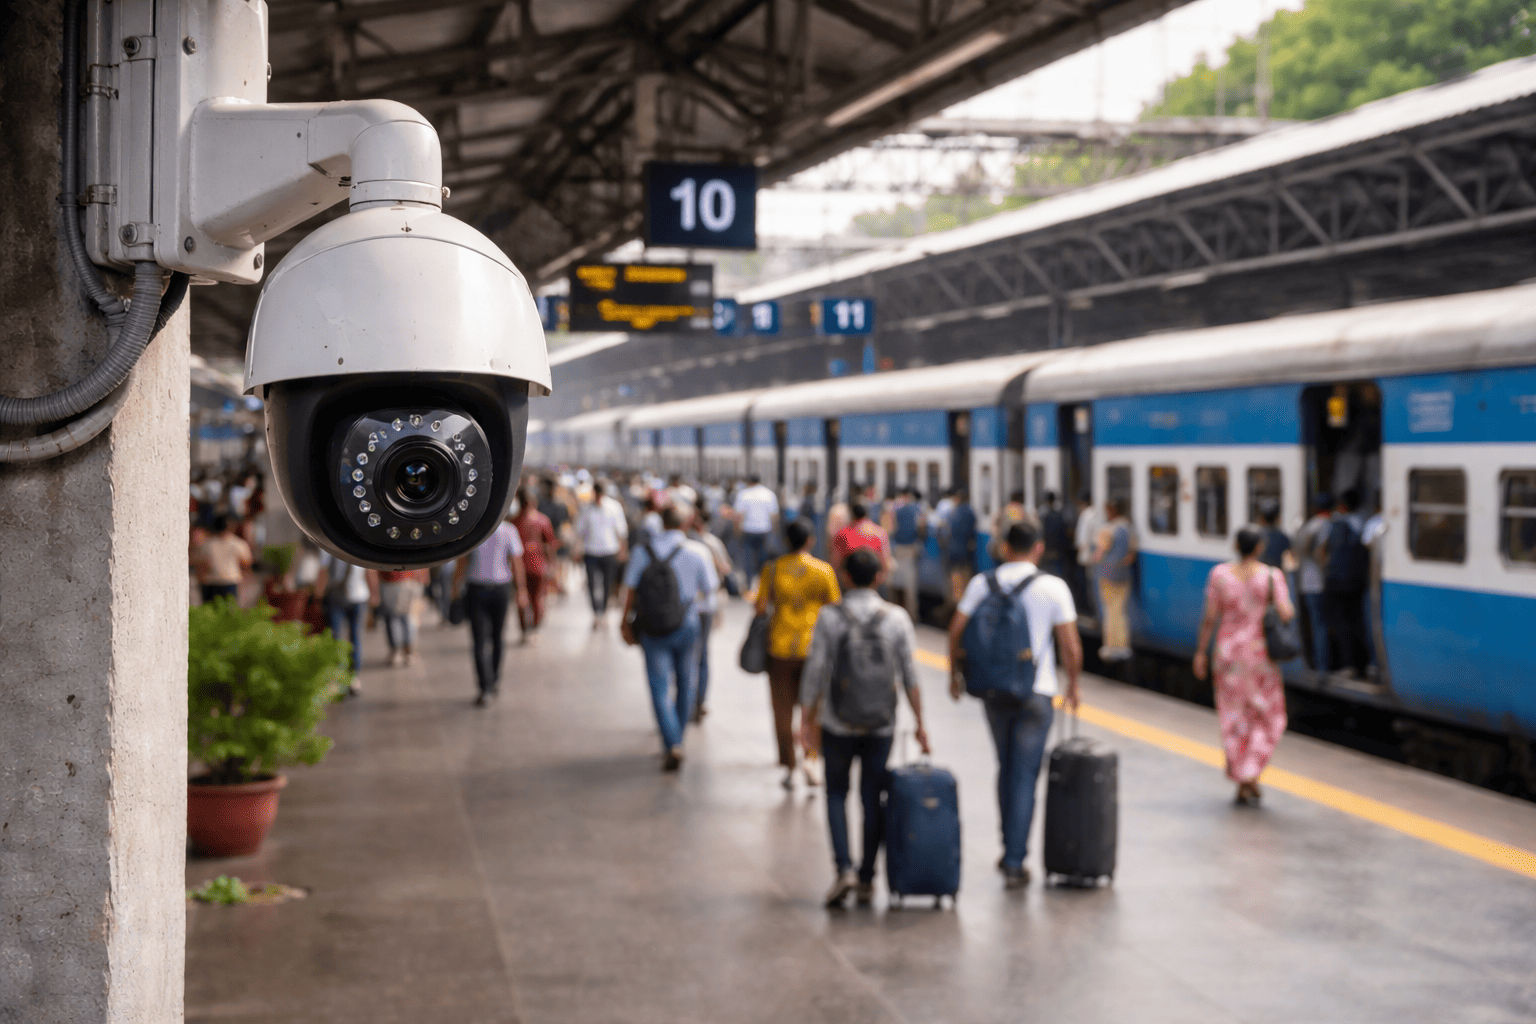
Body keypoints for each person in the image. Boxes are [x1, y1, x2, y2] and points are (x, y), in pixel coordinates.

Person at [948, 520, 1080, 889]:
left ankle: (1009, 846)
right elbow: (1069, 644)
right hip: (1037, 692)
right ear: (1038, 549)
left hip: (993, 690)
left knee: (1005, 768)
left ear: (1005, 548)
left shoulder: (981, 583)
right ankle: (1014, 859)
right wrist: (1074, 685)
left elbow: (956, 629)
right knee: (1025, 774)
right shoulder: (1053, 587)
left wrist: (953, 675)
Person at [799, 548, 929, 908]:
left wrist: (806, 718)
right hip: (881, 723)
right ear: (879, 577)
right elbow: (910, 676)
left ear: (844, 577)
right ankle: (869, 876)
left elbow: (816, 670)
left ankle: (844, 869)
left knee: (836, 793)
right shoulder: (897, 618)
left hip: (838, 722)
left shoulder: (830, 617)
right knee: (872, 797)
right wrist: (920, 723)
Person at [1193, 525, 1296, 806]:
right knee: (1269, 716)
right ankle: (1251, 774)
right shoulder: (1272, 576)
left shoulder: (1219, 575)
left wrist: (1201, 652)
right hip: (1260, 657)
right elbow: (1287, 613)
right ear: (1260, 547)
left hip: (1228, 656)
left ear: (1236, 547)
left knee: (1234, 717)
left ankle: (1242, 777)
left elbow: (1209, 618)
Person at [620, 505, 719, 771]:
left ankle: (671, 742)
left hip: (652, 627)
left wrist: (624, 622)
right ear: (686, 524)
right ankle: (679, 739)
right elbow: (709, 592)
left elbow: (629, 590)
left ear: (661, 523)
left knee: (659, 685)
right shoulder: (698, 552)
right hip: (687, 624)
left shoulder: (643, 551)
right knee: (687, 681)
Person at [757, 519, 841, 790]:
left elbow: (759, 608)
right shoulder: (823, 570)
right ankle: (812, 760)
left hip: (780, 649)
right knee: (814, 708)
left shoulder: (772, 569)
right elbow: (835, 607)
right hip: (814, 648)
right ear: (810, 541)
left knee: (782, 711)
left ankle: (789, 767)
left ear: (785, 541)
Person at [453, 514, 531, 706]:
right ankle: (489, 683)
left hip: (483, 588)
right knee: (492, 639)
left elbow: (462, 562)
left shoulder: (474, 530)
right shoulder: (508, 530)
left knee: (485, 640)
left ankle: (488, 684)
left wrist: (455, 588)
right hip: (494, 588)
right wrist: (520, 590)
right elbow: (516, 562)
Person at [687, 508, 733, 721]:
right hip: (705, 607)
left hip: (684, 608)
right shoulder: (711, 544)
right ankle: (700, 701)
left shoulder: (680, 546)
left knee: (685, 655)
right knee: (703, 654)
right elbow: (723, 571)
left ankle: (685, 700)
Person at [1319, 487, 1370, 678]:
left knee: (1341, 623)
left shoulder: (1334, 524)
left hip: (1337, 581)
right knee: (1359, 622)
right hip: (1358, 581)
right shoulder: (1365, 523)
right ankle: (1365, 664)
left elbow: (1323, 550)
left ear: (1342, 506)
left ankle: (1348, 664)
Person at [317, 551, 374, 693]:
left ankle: (352, 676)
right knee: (335, 636)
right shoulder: (329, 547)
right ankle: (338, 675)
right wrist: (318, 594)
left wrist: (374, 593)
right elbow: (323, 571)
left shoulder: (357, 550)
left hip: (357, 596)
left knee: (354, 637)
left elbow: (370, 572)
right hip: (337, 596)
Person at [576, 480, 629, 629]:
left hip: (609, 551)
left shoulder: (613, 507)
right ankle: (596, 612)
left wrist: (623, 551)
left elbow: (622, 531)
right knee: (592, 584)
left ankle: (603, 612)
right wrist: (577, 549)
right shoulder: (587, 509)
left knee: (607, 584)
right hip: (591, 551)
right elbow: (580, 531)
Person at [1293, 493, 1334, 675]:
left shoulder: (1309, 527)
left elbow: (1298, 552)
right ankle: (1326, 664)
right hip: (1327, 582)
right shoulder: (1332, 526)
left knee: (1317, 624)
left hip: (1308, 582)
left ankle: (1319, 664)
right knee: (1325, 624)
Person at [511, 487, 557, 644]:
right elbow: (550, 544)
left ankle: (525, 631)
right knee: (537, 599)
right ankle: (535, 628)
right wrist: (552, 565)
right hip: (538, 565)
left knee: (522, 599)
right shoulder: (542, 520)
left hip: (518, 568)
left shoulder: (513, 522)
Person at [1094, 497, 1136, 661]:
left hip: (1107, 575)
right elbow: (1131, 555)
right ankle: (1123, 646)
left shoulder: (1107, 530)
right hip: (1123, 575)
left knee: (1110, 611)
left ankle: (1111, 646)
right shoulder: (1129, 528)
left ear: (1111, 511)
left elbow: (1099, 554)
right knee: (1120, 611)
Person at [731, 473, 780, 589]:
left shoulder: (743, 494)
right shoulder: (769, 494)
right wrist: (774, 531)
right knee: (763, 559)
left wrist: (737, 531)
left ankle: (748, 584)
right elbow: (774, 515)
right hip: (764, 529)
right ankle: (763, 584)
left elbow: (738, 515)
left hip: (748, 530)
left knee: (748, 558)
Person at [192, 515, 252, 605]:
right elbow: (246, 562)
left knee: (210, 613)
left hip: (211, 582)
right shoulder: (238, 544)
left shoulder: (207, 544)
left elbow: (200, 564)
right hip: (230, 581)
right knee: (228, 613)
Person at [884, 487, 925, 619]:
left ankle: (891, 614)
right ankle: (912, 615)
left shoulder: (894, 510)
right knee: (910, 586)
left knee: (893, 584)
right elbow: (922, 527)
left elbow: (889, 530)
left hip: (897, 549)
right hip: (911, 549)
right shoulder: (917, 510)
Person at [830, 501, 890, 586]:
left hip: (849, 582)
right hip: (873, 582)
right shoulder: (879, 533)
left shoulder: (841, 533)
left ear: (851, 513)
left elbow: (835, 562)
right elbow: (885, 562)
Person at [377, 567, 428, 666]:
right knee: (406, 618)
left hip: (392, 581)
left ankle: (397, 652)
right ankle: (407, 652)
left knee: (393, 618)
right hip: (406, 580)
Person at [538, 477, 574, 598]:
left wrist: (564, 540)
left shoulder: (559, 505)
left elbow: (565, 525)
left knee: (558, 565)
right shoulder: (540, 503)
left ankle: (558, 585)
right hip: (544, 544)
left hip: (555, 542)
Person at [945, 489, 978, 614]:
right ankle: (963, 609)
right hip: (965, 552)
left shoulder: (953, 512)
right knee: (965, 581)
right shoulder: (970, 513)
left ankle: (955, 608)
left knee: (955, 582)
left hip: (952, 552)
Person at [1071, 490, 1101, 612]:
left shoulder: (1085, 515)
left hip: (1088, 556)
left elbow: (1081, 539)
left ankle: (1089, 609)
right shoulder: (1097, 513)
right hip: (1098, 555)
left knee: (1087, 583)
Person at [1256, 500, 1297, 571]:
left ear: (1261, 517)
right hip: (1276, 574)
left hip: (1258, 574)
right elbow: (1291, 559)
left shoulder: (1256, 535)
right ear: (1277, 517)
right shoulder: (1283, 536)